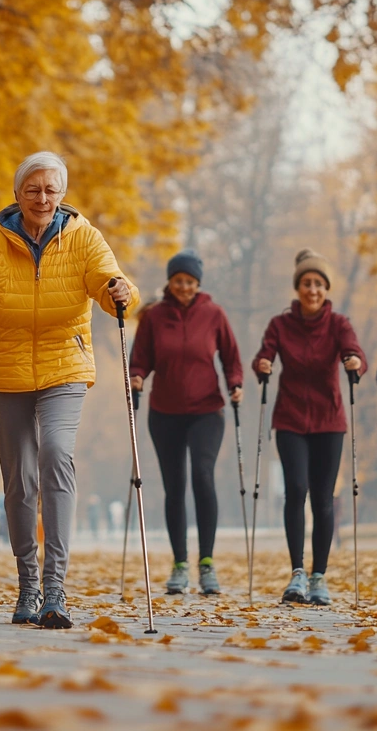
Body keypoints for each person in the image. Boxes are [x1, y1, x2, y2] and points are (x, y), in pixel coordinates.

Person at [0, 151, 137, 629]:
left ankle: (56, 589)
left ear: (62, 194)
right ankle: (27, 586)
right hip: (5, 370)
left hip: (65, 366)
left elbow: (110, 284)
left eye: (51, 190)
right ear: (18, 194)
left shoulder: (84, 238)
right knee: (20, 479)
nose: (42, 198)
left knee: (57, 455)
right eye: (33, 189)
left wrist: (119, 291)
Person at [252, 249, 367, 606]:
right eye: (306, 283)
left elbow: (356, 355)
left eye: (318, 283)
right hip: (290, 419)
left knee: (322, 497)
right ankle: (297, 573)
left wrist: (354, 362)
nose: (312, 289)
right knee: (296, 490)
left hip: (329, 420)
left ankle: (320, 576)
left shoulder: (339, 324)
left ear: (325, 288)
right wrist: (263, 363)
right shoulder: (280, 324)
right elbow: (265, 353)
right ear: (298, 287)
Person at [129, 249, 243, 596]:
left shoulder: (214, 314)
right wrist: (136, 377)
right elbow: (140, 358)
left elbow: (232, 357)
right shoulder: (154, 316)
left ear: (198, 283)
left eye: (190, 282)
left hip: (207, 410)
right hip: (164, 413)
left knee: (202, 477)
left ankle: (206, 563)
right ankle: (179, 565)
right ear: (170, 281)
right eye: (179, 281)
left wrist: (235, 383)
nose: (184, 287)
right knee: (174, 486)